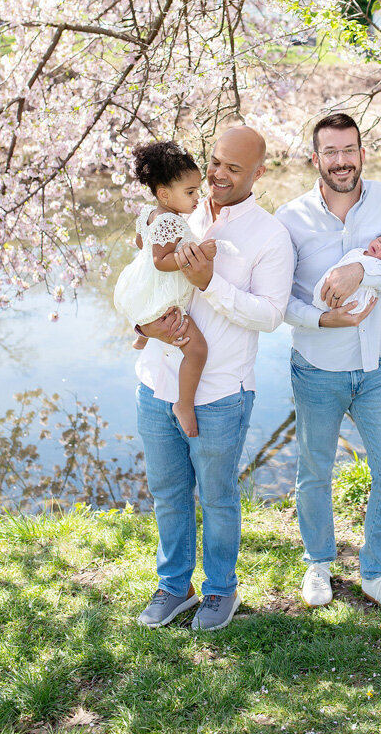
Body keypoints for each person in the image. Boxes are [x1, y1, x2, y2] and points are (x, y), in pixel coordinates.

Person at [134, 126, 294, 632]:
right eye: (216, 162)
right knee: (167, 491)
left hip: (220, 391)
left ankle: (220, 590)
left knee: (218, 496)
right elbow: (144, 277)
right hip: (156, 382)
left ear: (258, 174)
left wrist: (210, 283)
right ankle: (174, 586)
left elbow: (270, 315)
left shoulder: (270, 236)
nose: (218, 176)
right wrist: (141, 324)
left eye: (234, 169)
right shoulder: (180, 208)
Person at [276, 112, 381, 615]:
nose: (341, 161)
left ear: (362, 153)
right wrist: (323, 323)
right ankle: (318, 563)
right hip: (317, 366)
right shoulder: (289, 219)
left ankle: (375, 571)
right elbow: (280, 302)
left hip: (380, 366)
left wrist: (360, 266)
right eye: (331, 152)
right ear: (315, 159)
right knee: (315, 472)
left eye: (350, 150)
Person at [114, 141, 218, 438]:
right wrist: (197, 254)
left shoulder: (149, 212)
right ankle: (184, 405)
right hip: (163, 297)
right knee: (197, 350)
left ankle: (141, 339)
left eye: (197, 190)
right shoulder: (171, 220)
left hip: (143, 289)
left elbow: (140, 244)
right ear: (164, 194)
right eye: (190, 192)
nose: (198, 197)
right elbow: (161, 261)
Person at [312, 230, 381, 314]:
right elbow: (341, 265)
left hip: (350, 303)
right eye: (379, 240)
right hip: (331, 285)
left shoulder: (377, 266)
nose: (379, 246)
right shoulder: (357, 252)